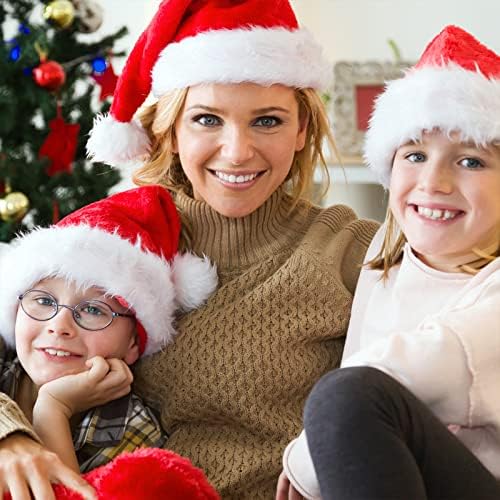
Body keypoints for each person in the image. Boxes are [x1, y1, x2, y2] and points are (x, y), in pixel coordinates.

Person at [0, 0, 379, 498]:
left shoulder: (351, 249)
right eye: (207, 120)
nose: (238, 151)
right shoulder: (114, 241)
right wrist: (11, 436)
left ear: (302, 129)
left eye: (267, 121)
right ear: (170, 130)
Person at [279, 25, 500, 500]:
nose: (433, 182)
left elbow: (405, 370)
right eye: (415, 154)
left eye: (471, 161)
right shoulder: (386, 258)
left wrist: (304, 456)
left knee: (346, 396)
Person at [0, 185, 217, 498]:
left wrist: (53, 410)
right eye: (44, 301)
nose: (59, 325)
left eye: (92, 310)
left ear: (133, 344)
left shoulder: (130, 427)